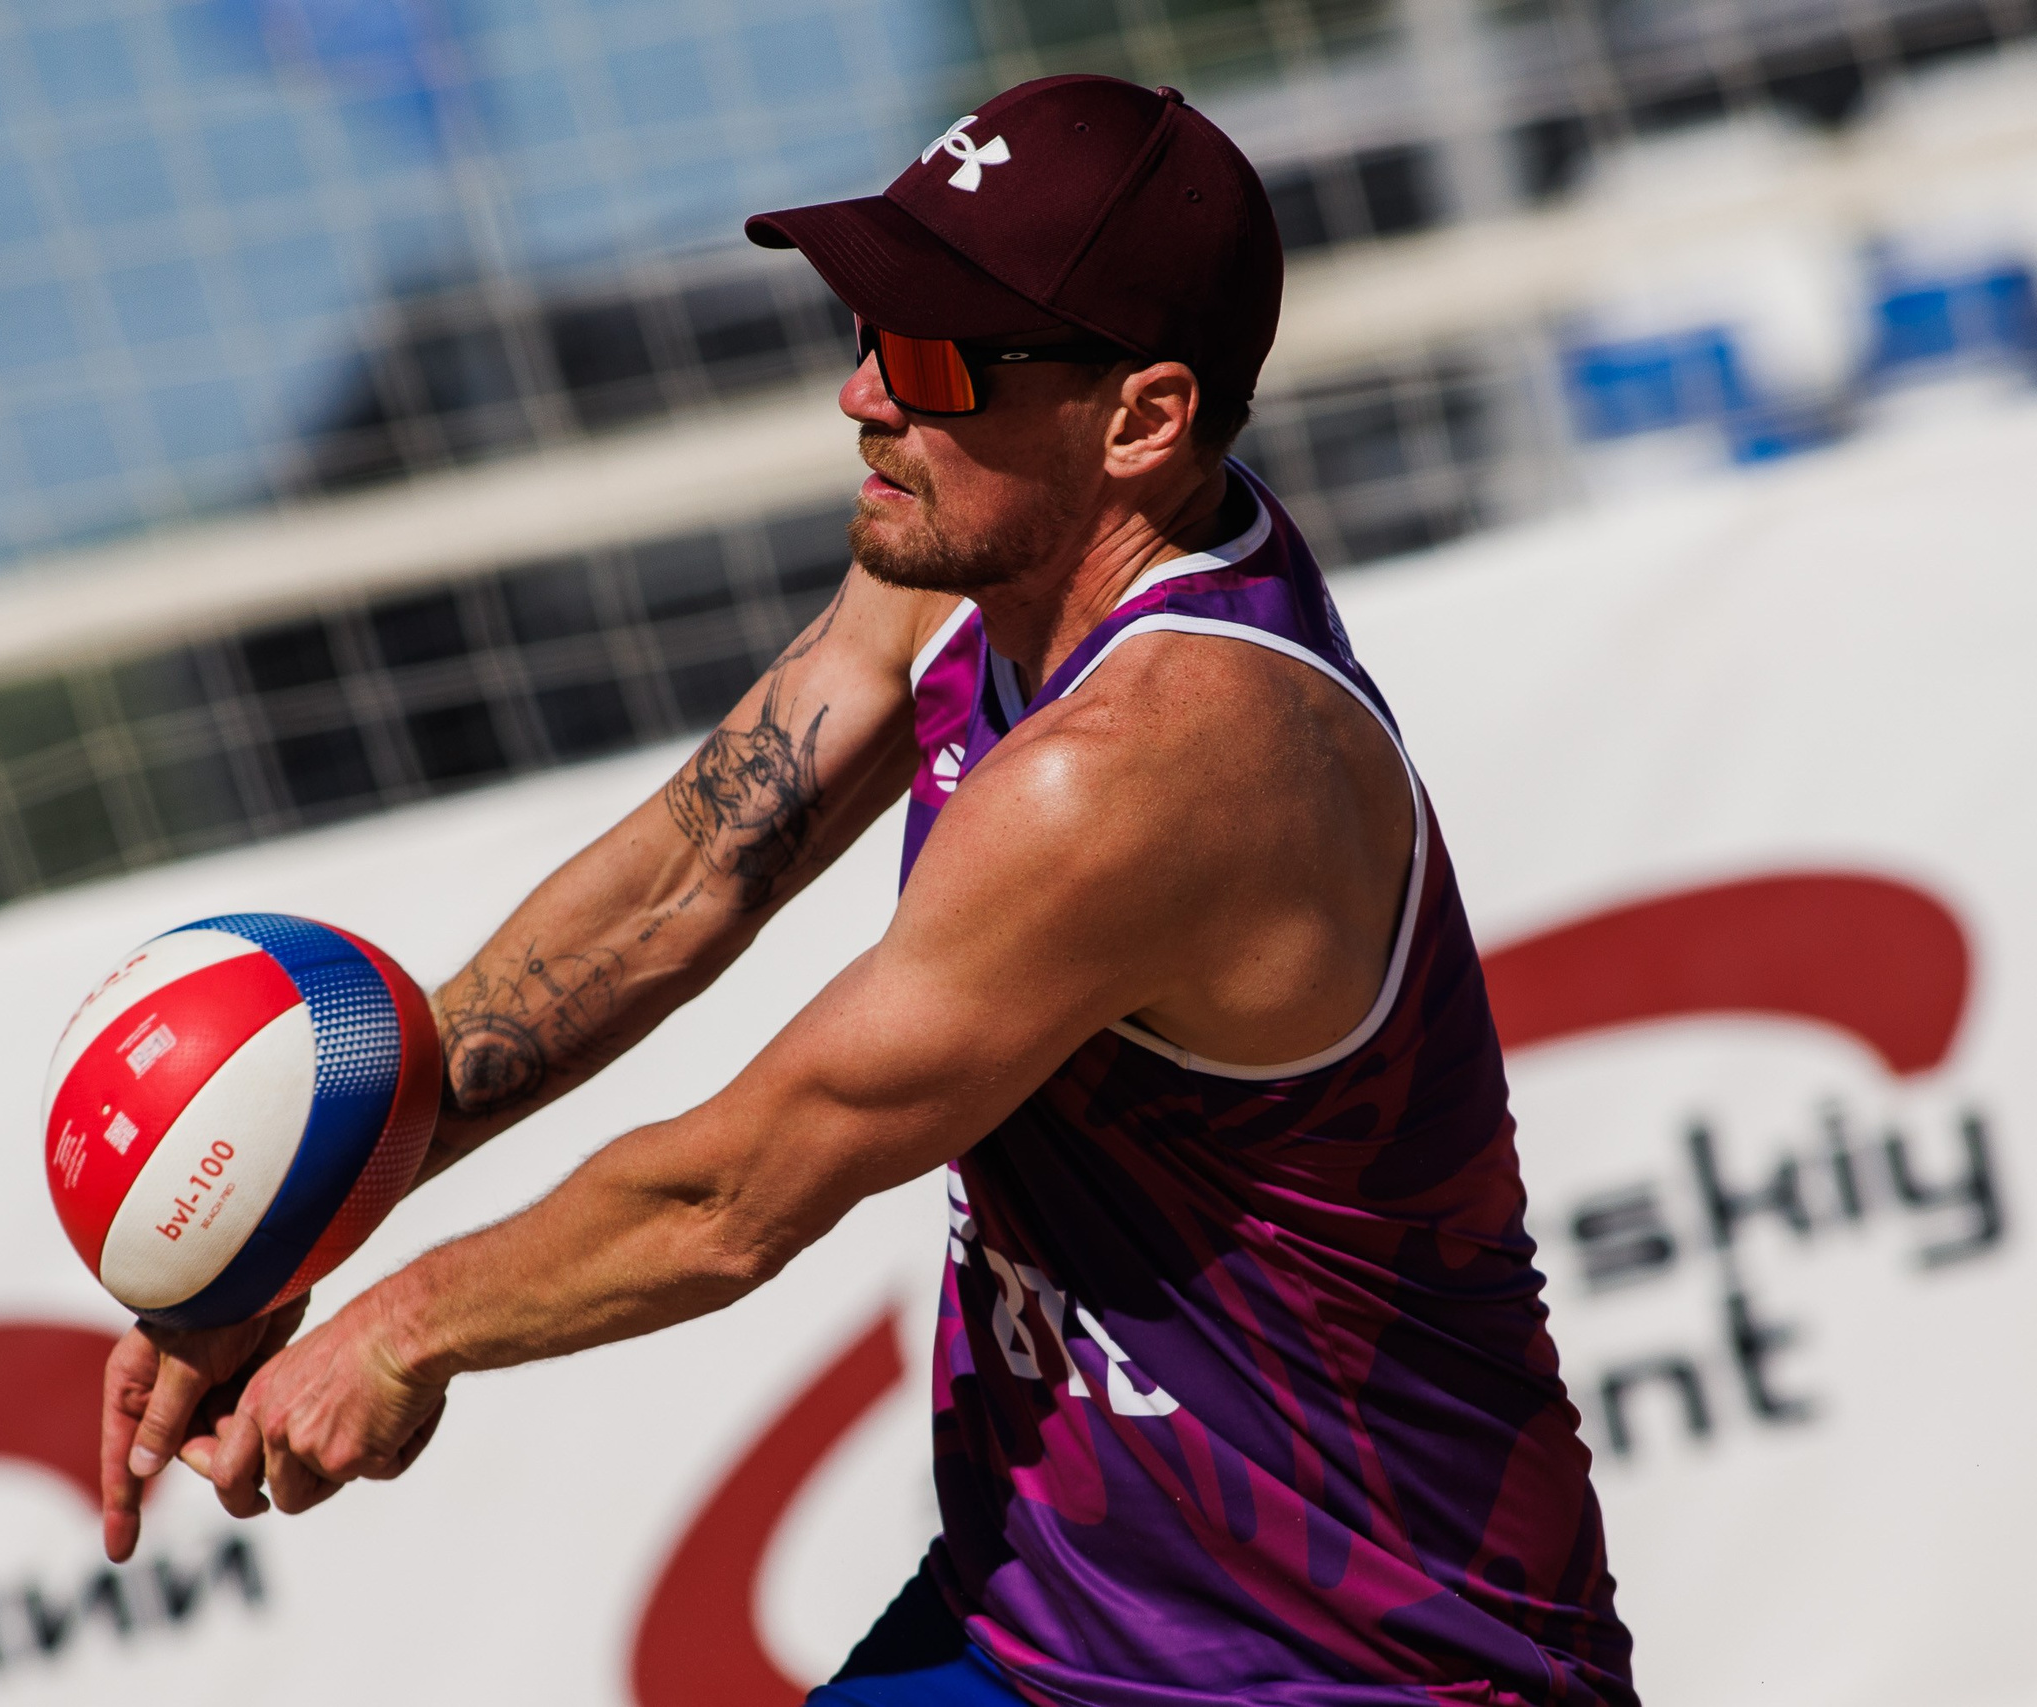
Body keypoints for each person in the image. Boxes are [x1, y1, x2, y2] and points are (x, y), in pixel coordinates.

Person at [98, 75, 1637, 1707]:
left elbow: (730, 1198)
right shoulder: (979, 565)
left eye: (930, 356)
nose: (860, 396)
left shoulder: (1150, 762)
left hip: (1357, 1669)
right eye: (865, 324)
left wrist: (400, 1325)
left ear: (1143, 419)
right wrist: (302, 1216)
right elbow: (682, 876)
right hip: (1055, 1623)